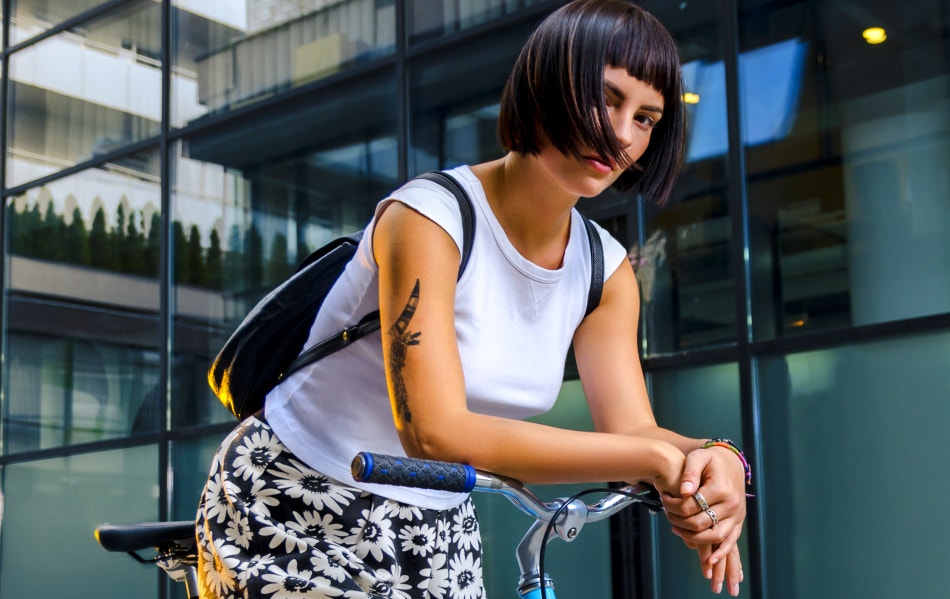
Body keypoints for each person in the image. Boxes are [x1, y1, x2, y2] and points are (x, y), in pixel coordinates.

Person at [195, 1, 751, 597]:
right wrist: (654, 461)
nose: (621, 134)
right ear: (548, 84)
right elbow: (434, 434)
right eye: (607, 98)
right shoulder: (430, 217)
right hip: (293, 497)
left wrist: (716, 458)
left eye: (646, 118)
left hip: (433, 523)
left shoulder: (605, 271)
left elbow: (633, 429)